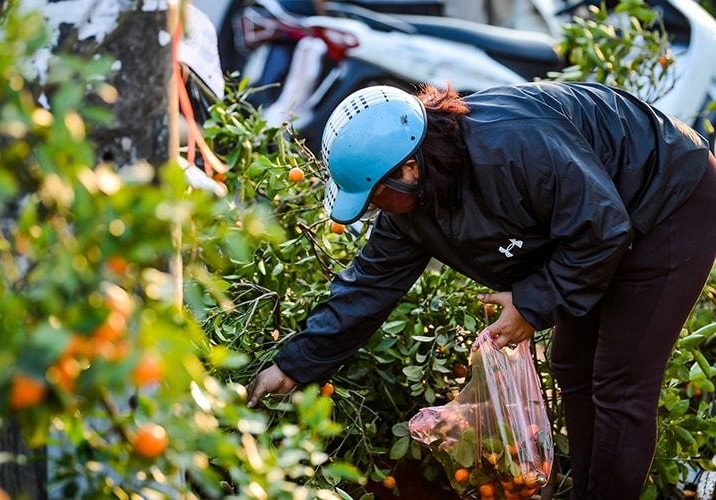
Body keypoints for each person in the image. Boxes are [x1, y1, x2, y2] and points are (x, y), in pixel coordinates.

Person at [246, 82, 716, 499]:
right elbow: (368, 286)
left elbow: (603, 229)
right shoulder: (413, 204)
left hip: (670, 197)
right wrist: (292, 366)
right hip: (601, 220)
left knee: (619, 382)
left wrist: (531, 304)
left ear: (408, 167)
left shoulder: (512, 147)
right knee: (573, 363)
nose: (373, 212)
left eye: (373, 197)